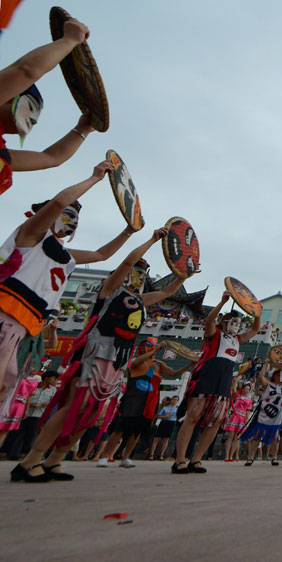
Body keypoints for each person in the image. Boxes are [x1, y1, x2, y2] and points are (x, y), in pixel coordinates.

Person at [12, 227, 186, 482]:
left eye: (142, 274)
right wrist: (152, 239)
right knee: (73, 406)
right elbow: (126, 261)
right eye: (134, 272)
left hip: (116, 361)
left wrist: (184, 273)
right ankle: (31, 460)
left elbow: (168, 292)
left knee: (90, 413)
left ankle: (54, 460)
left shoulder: (140, 300)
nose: (137, 277)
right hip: (94, 354)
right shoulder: (110, 290)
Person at [1, 160, 135, 405]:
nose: (72, 220)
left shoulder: (66, 257)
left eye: (75, 217)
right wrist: (94, 178)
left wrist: (129, 231)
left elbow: (102, 255)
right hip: (6, 315)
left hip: (27, 326)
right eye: (67, 214)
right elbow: (59, 202)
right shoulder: (32, 234)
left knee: (4, 395)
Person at [0, 16, 97, 197]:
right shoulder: (4, 158)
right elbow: (26, 71)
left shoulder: (3, 155)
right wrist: (70, 40)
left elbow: (52, 158)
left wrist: (83, 129)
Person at [172, 294, 261, 474]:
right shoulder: (214, 334)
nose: (236, 326)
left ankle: (196, 459)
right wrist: (222, 302)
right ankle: (180, 459)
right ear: (225, 321)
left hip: (224, 382)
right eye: (233, 322)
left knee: (217, 420)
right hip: (206, 377)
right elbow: (209, 319)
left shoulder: (237, 340)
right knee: (193, 416)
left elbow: (255, 329)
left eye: (238, 323)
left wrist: (256, 311)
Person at [97, 340, 193, 467]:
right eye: (148, 347)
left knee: (137, 431)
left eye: (152, 347)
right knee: (120, 429)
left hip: (149, 401)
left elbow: (174, 373)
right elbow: (134, 363)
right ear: (141, 349)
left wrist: (190, 365)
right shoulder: (136, 361)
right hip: (133, 398)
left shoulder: (158, 365)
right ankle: (105, 456)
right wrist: (156, 350)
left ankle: (126, 457)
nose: (151, 349)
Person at [242, 360, 282, 466]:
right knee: (258, 435)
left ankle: (274, 457)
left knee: (276, 436)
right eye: (280, 374)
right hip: (264, 414)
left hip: (276, 417)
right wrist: (266, 363)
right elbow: (261, 377)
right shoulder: (268, 384)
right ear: (275, 375)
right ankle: (250, 457)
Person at [4, 369, 57, 459]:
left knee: (31, 435)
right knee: (18, 433)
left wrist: (46, 404)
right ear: (46, 378)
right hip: (26, 413)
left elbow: (53, 402)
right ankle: (11, 452)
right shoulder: (34, 386)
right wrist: (29, 404)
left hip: (38, 414)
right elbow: (26, 396)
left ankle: (24, 453)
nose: (54, 381)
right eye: (53, 378)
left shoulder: (53, 390)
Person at [223, 382, 252, 462]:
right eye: (246, 388)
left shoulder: (249, 400)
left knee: (237, 438)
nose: (247, 390)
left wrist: (247, 418)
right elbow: (233, 393)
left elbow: (248, 410)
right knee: (230, 437)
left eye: (248, 389)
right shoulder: (237, 396)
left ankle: (231, 455)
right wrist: (235, 382)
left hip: (242, 418)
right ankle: (226, 455)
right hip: (235, 416)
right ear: (242, 389)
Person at [149, 396, 178, 461]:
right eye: (174, 399)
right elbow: (159, 416)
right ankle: (152, 454)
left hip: (171, 423)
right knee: (157, 438)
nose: (175, 401)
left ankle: (162, 455)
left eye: (176, 400)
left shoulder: (176, 409)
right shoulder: (165, 408)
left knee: (166, 439)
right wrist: (164, 417)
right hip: (164, 422)